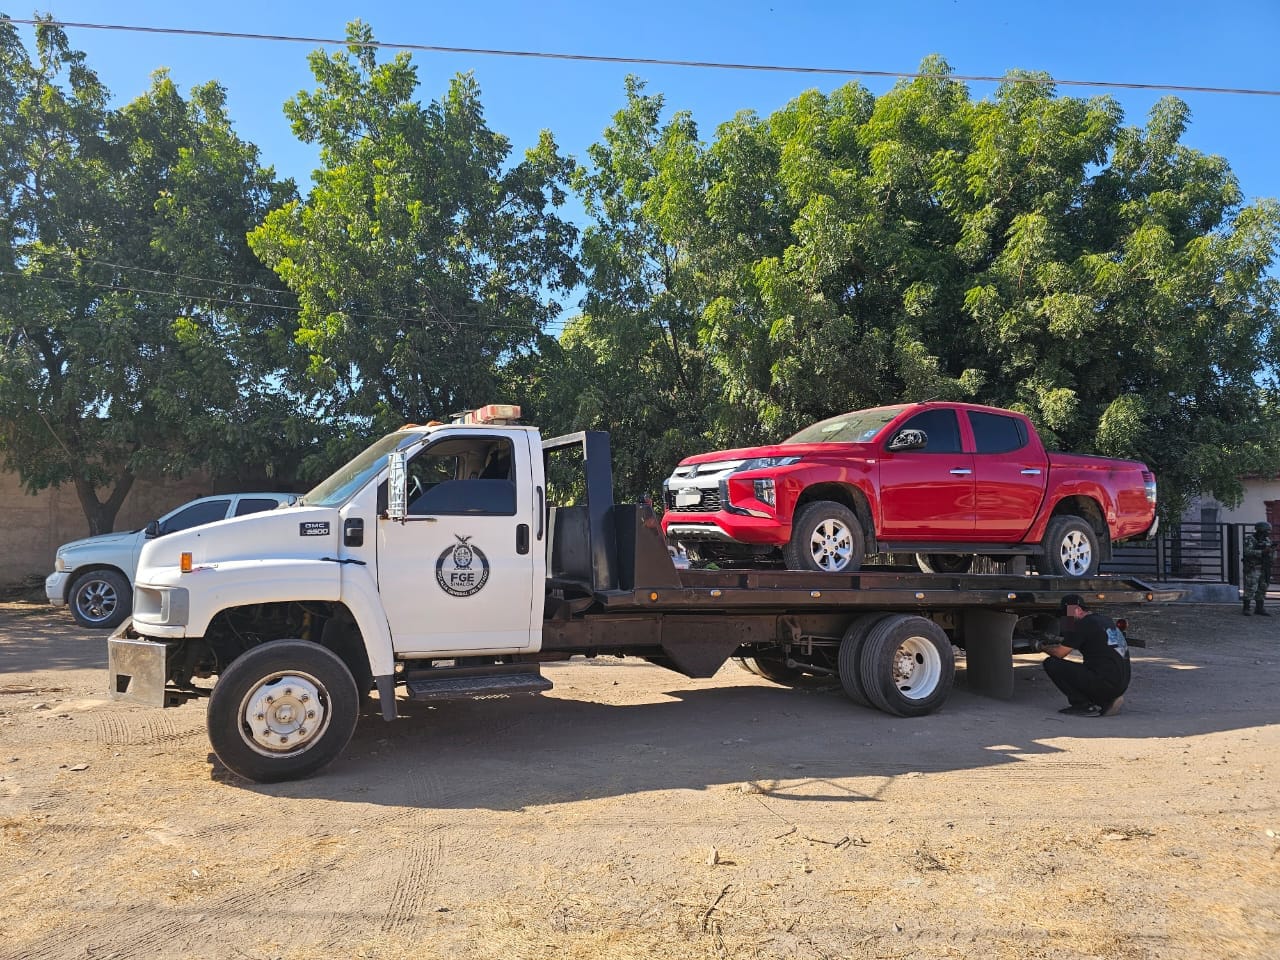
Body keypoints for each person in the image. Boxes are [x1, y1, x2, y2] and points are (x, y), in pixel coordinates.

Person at [1040, 593, 1130, 717]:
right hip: (1121, 683)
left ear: (1076, 610)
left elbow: (1060, 653)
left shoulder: (1081, 625)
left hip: (1106, 682)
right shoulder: (1104, 620)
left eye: (1066, 616)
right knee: (1088, 669)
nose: (1066, 620)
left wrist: (1041, 646)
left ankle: (1083, 705)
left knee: (1051, 663)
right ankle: (1107, 700)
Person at [1241, 520, 1273, 616]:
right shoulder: (1250, 539)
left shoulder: (1267, 540)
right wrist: (1262, 552)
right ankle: (1246, 608)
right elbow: (1247, 551)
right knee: (1250, 587)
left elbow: (1271, 553)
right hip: (1253, 567)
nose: (1268, 533)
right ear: (1260, 530)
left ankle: (1259, 608)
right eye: (1266, 531)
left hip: (1264, 567)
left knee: (1262, 587)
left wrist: (1271, 552)